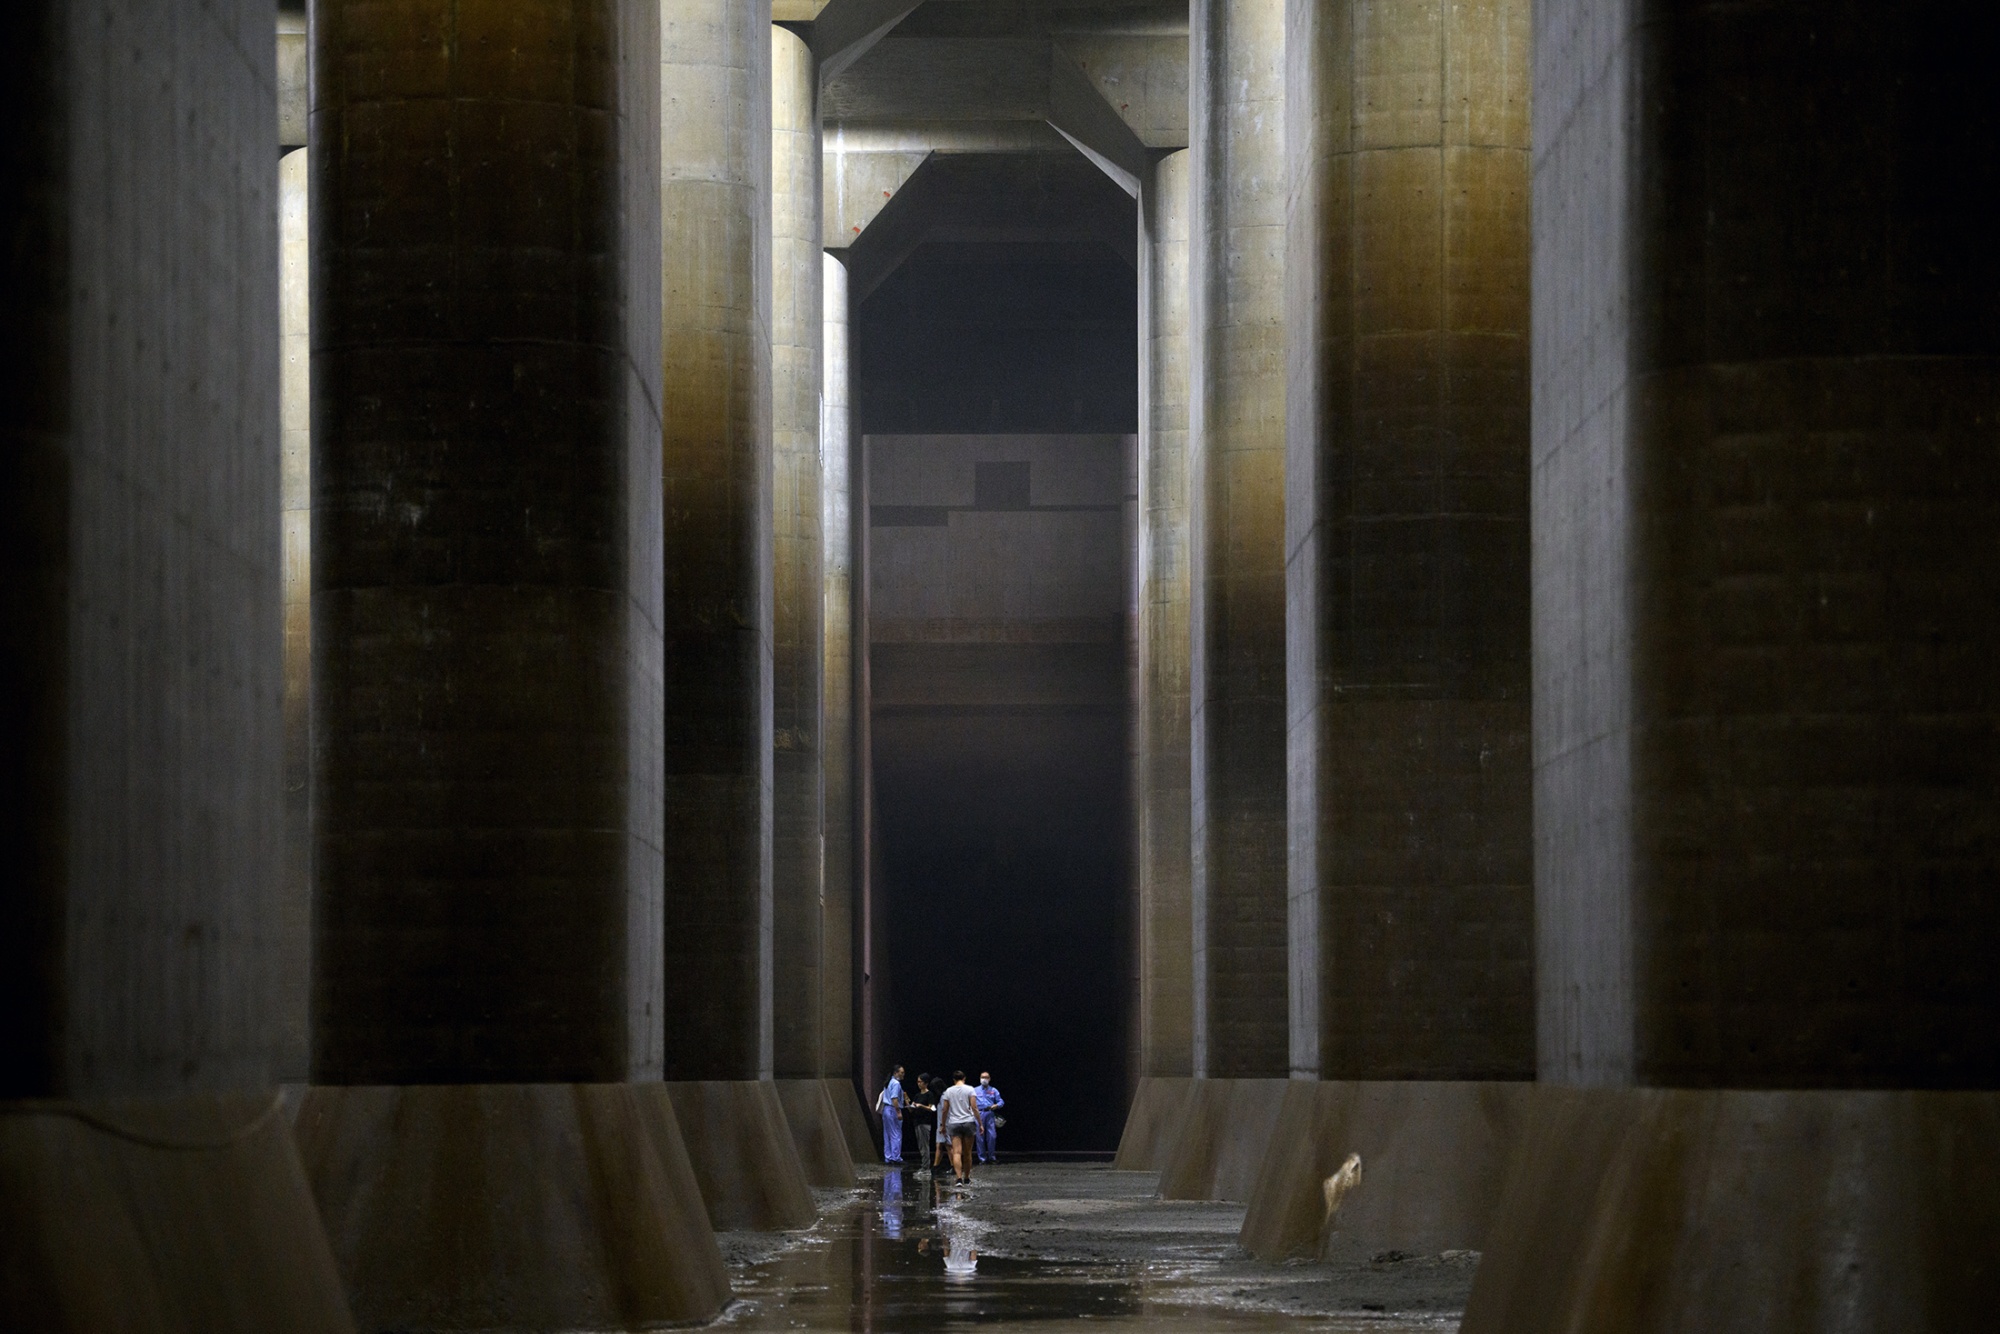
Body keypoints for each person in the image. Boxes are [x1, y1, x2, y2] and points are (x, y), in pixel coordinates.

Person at [937, 1071, 982, 1185]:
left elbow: (945, 1110)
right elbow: (974, 1107)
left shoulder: (949, 1091)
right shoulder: (970, 1089)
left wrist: (942, 1125)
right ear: (964, 1078)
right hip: (968, 1122)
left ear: (953, 1079)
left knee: (956, 1152)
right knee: (967, 1153)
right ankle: (967, 1178)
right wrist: (980, 1123)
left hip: (954, 1123)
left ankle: (958, 1178)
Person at [908, 1074, 939, 1174]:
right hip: (917, 1122)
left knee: (924, 1145)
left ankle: (925, 1167)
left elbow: (932, 1108)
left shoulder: (929, 1094)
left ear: (926, 1083)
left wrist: (921, 1106)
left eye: (920, 1082)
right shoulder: (917, 1095)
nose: (918, 1084)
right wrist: (907, 1101)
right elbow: (911, 1110)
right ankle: (924, 1166)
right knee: (921, 1145)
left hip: (925, 1123)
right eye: (918, 1082)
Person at [876, 1065, 906, 1164]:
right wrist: (898, 1112)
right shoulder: (896, 1084)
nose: (903, 1074)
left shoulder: (888, 1083)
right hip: (893, 1109)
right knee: (896, 1134)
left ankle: (888, 1157)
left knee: (887, 1134)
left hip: (886, 1110)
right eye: (901, 1072)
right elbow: (894, 1099)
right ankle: (895, 1157)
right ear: (895, 1073)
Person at [974, 1071, 1006, 1163]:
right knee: (980, 1137)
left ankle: (992, 1157)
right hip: (979, 1114)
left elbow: (1001, 1101)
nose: (984, 1079)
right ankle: (982, 1159)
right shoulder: (975, 1090)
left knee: (992, 1136)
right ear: (980, 1078)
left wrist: (996, 1105)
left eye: (986, 1077)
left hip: (990, 1114)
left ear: (989, 1079)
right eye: (982, 1077)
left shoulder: (993, 1090)